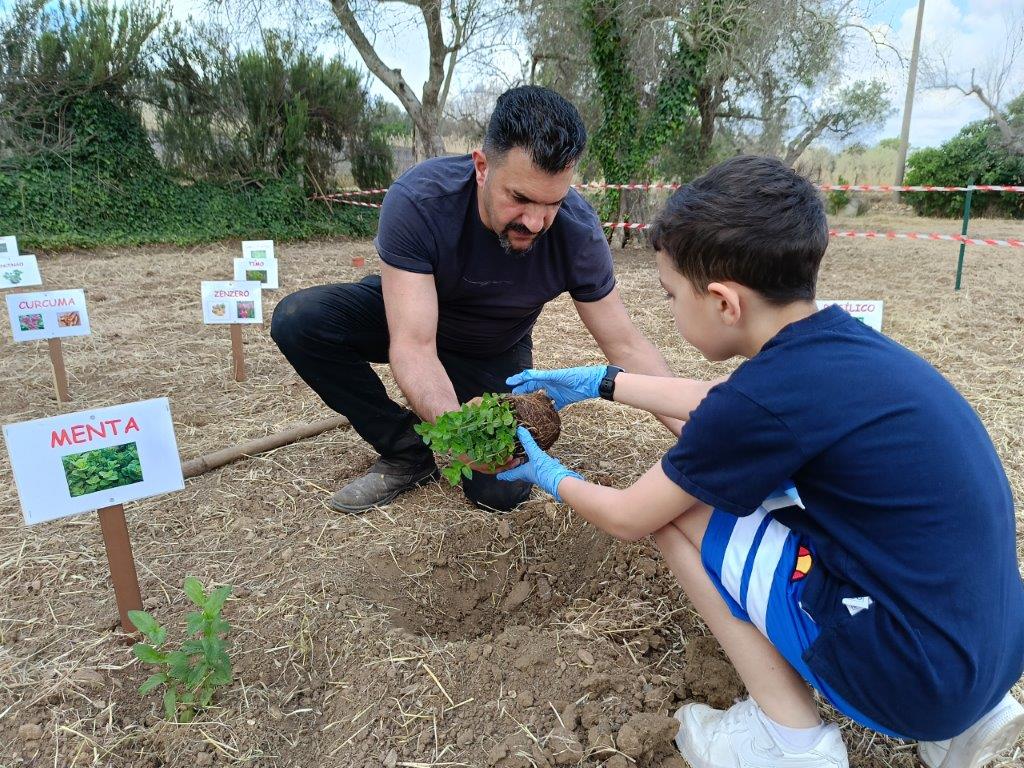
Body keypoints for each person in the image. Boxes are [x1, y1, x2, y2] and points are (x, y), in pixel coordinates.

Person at [497, 155, 1024, 767]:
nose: (670, 310)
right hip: (991, 648)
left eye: (671, 295)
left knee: (676, 513)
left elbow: (628, 515)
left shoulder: (765, 398)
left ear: (724, 302)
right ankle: (970, 722)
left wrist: (550, 475)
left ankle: (788, 741)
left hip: (913, 680)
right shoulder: (844, 348)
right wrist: (604, 382)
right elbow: (728, 411)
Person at [271, 86, 679, 513]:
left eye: (553, 203)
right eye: (520, 198)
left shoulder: (577, 232)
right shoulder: (420, 201)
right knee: (301, 320)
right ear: (482, 167)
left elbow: (626, 346)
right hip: (413, 313)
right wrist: (456, 432)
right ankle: (406, 449)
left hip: (493, 346)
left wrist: (700, 438)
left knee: (501, 491)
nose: (535, 222)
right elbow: (414, 346)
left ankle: (458, 441)